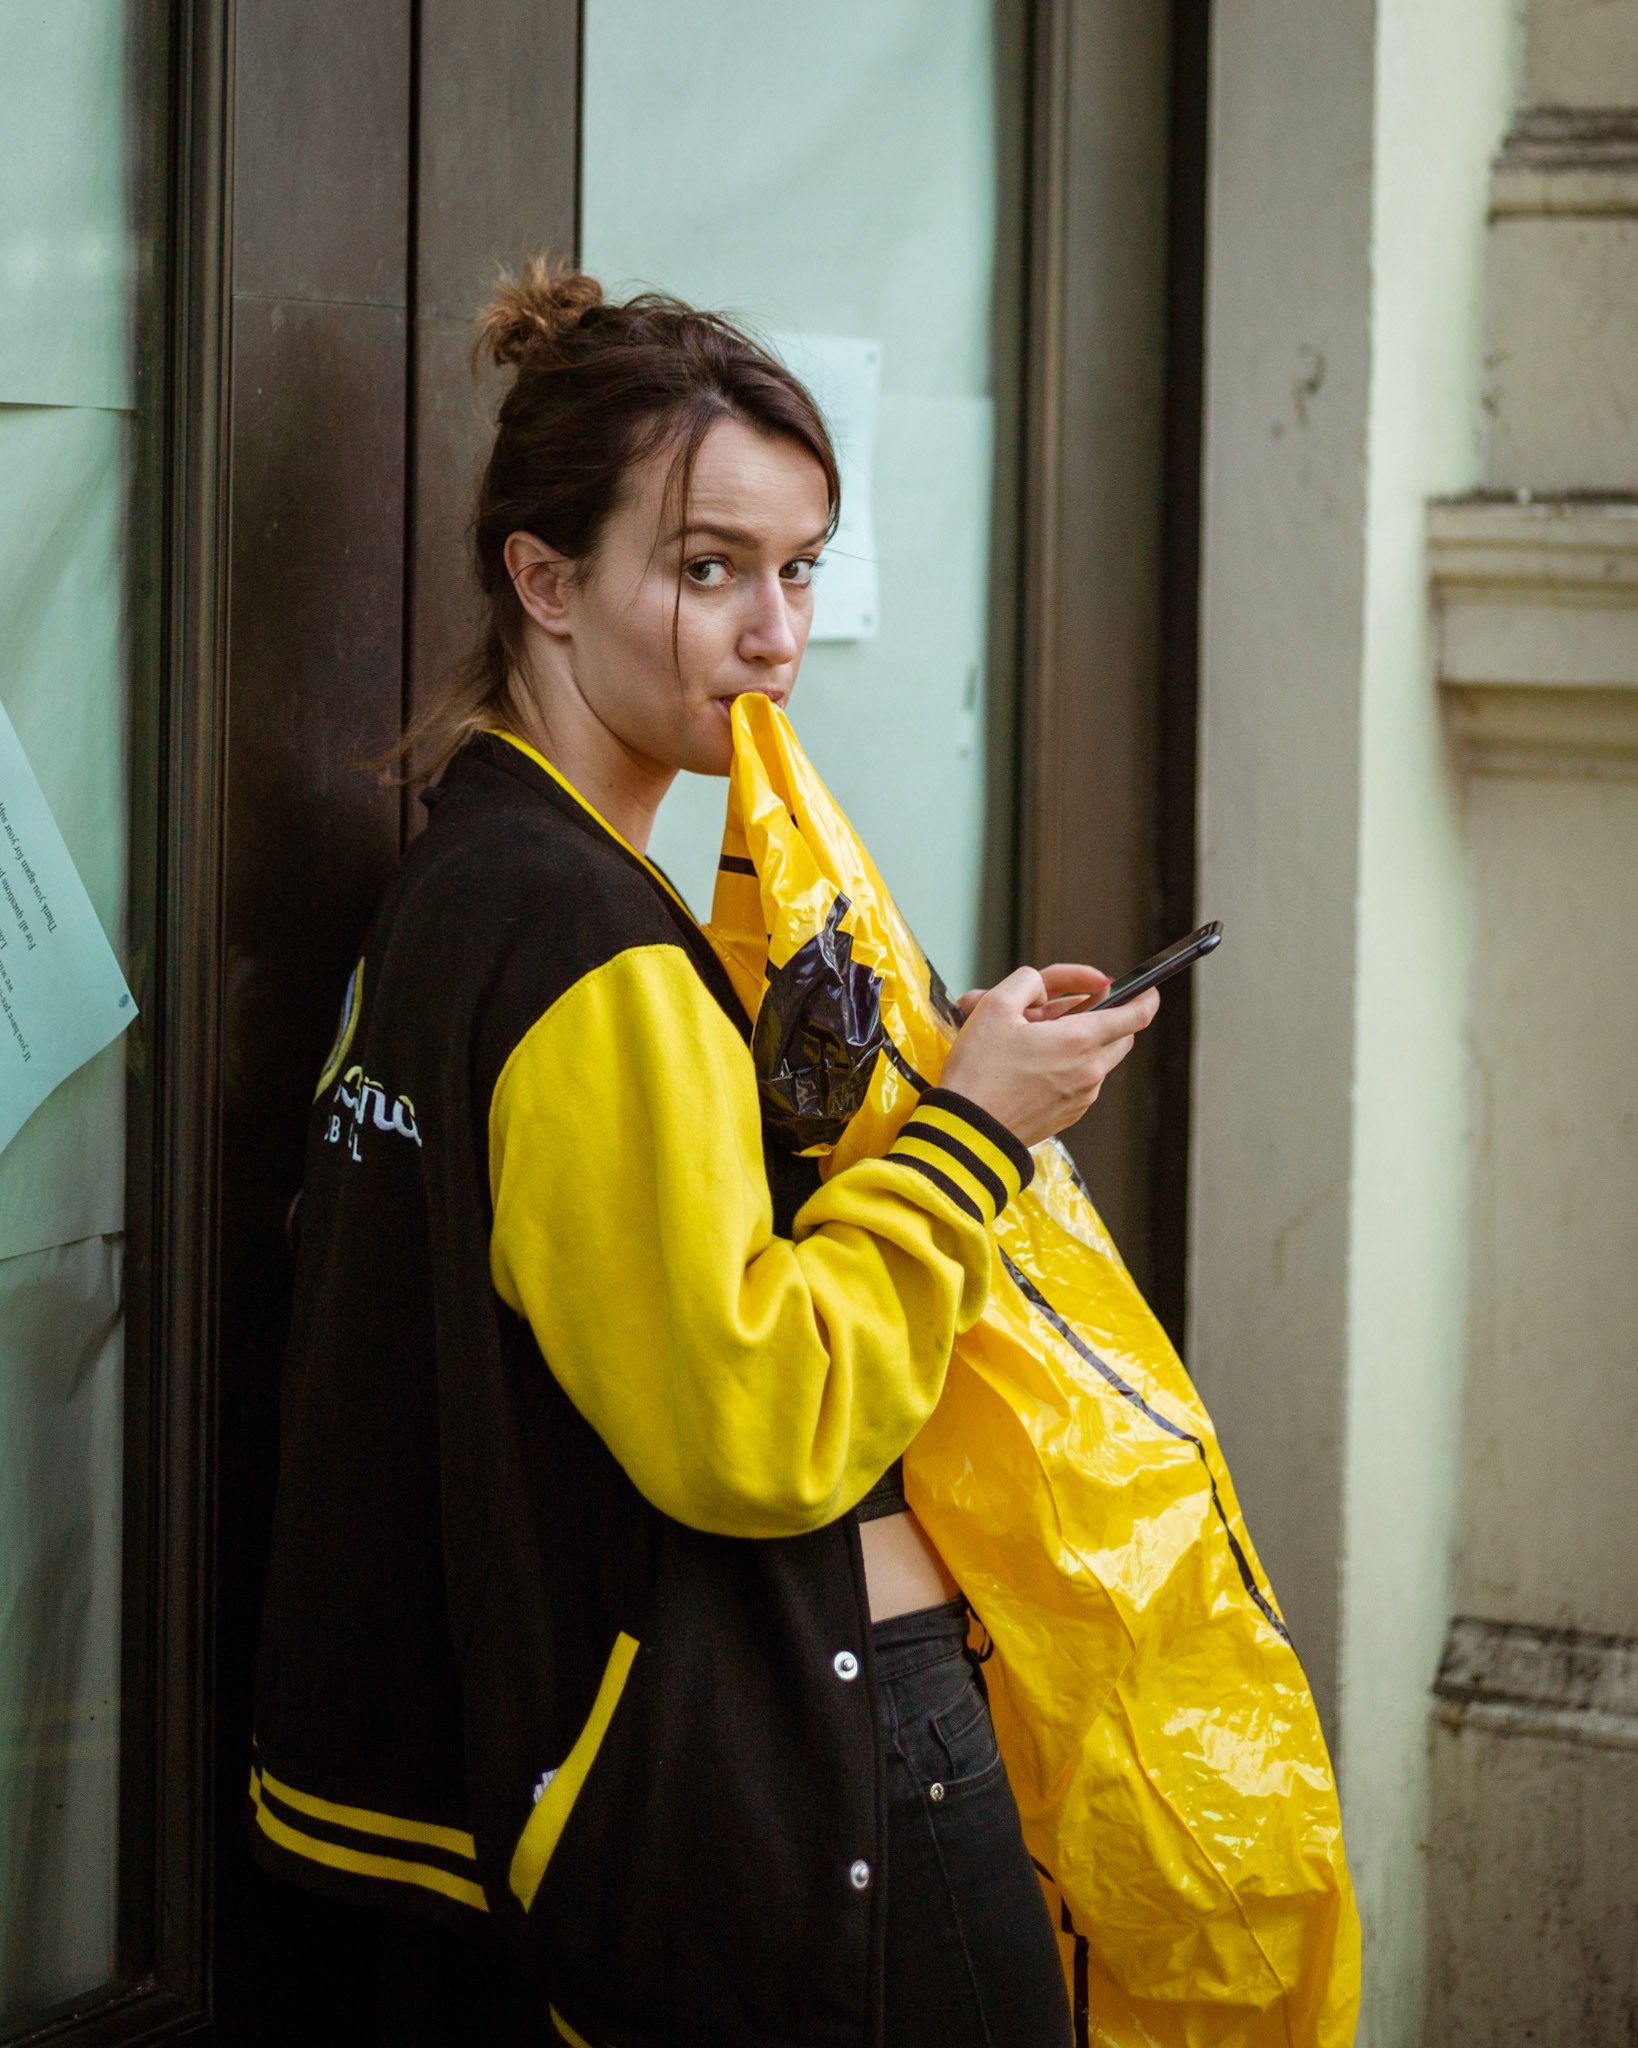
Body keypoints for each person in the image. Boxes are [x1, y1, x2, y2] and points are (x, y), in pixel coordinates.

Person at [249, 260, 1159, 2048]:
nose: (773, 636)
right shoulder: (588, 947)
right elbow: (758, 1425)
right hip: (790, 1772)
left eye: (799, 567)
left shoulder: (457, 893)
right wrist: (977, 1134)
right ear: (543, 578)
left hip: (580, 1790)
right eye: (706, 568)